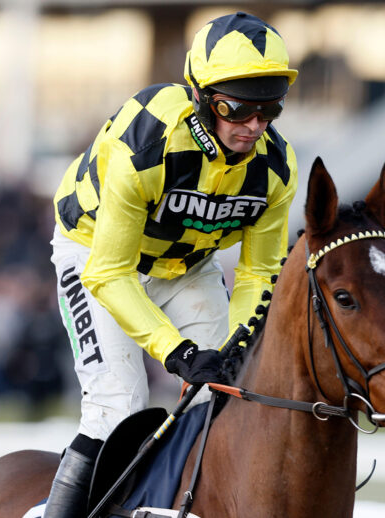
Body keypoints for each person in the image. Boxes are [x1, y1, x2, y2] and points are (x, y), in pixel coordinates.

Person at [44, 11, 299, 518]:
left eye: (269, 109)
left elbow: (258, 275)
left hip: (187, 267)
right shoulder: (145, 143)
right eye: (237, 108)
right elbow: (109, 273)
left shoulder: (276, 169)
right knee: (117, 407)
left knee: (226, 397)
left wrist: (234, 344)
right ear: (202, 96)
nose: (254, 126)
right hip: (97, 256)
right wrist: (177, 353)